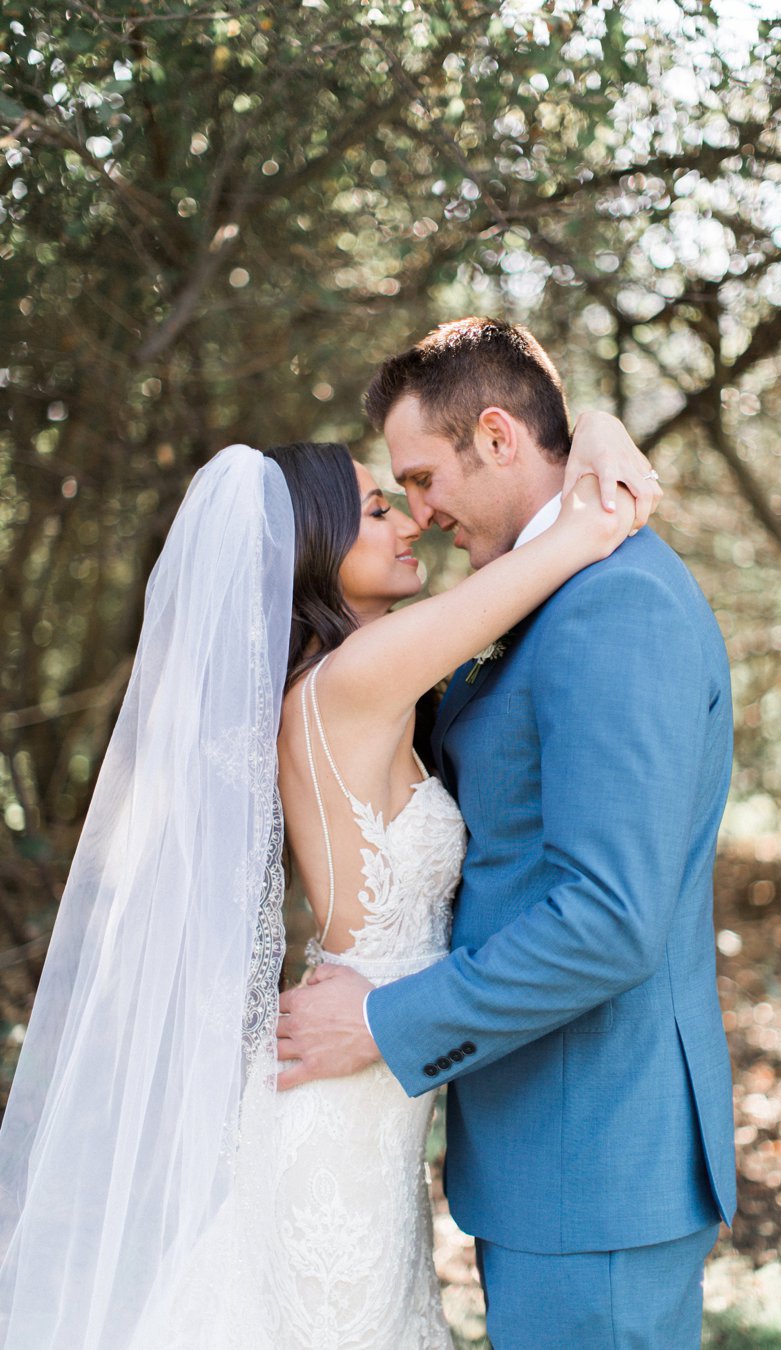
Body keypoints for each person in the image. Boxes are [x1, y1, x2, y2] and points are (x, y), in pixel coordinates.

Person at [0, 399, 651, 1347]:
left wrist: (584, 423)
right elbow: (577, 536)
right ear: (311, 544)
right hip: (346, 1105)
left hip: (371, 1088)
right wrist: (592, 430)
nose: (411, 520)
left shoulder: (344, 682)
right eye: (376, 509)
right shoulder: (358, 678)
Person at [278, 317, 737, 1350]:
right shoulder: (542, 596)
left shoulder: (612, 604)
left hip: (598, 1158)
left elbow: (611, 921)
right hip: (546, 1157)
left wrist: (386, 1021)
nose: (421, 514)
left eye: (424, 479)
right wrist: (599, 444)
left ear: (496, 436)